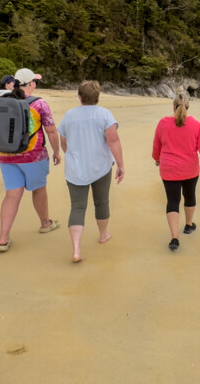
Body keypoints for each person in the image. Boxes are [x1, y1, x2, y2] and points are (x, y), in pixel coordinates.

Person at [0, 68, 62, 252]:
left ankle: (3, 239)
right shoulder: (39, 104)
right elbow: (51, 131)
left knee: (11, 195)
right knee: (39, 190)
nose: (36, 84)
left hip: (6, 155)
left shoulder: (2, 100)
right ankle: (45, 223)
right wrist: (56, 152)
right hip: (33, 155)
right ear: (31, 83)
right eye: (35, 81)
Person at [57, 80, 125, 263]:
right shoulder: (105, 115)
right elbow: (113, 141)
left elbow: (63, 141)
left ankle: (76, 249)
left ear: (80, 96)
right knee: (101, 202)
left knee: (77, 206)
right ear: (98, 97)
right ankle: (103, 235)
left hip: (75, 169)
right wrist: (120, 165)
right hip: (100, 167)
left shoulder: (69, 115)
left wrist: (72, 156)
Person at [152, 92, 200, 251]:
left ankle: (175, 237)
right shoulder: (196, 124)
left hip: (168, 169)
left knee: (172, 201)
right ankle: (189, 225)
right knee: (189, 196)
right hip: (190, 169)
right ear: (188, 107)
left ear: (173, 106)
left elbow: (157, 146)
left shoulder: (163, 123)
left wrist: (157, 159)